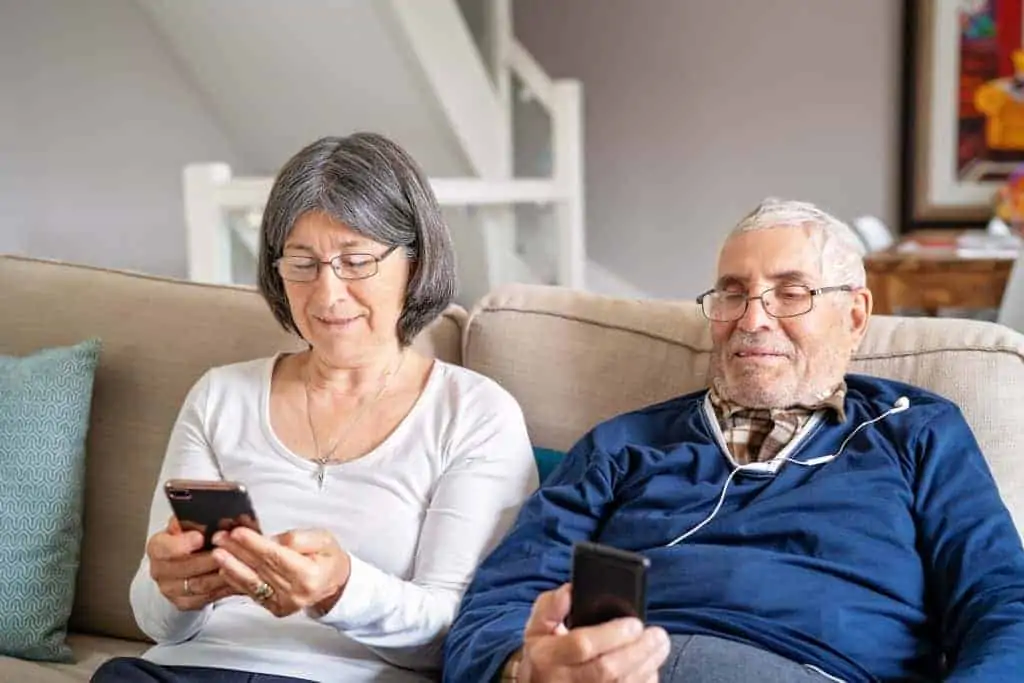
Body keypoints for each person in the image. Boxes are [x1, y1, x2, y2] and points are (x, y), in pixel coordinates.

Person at [443, 198, 1024, 683]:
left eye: (791, 293)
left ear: (854, 315)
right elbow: (494, 606)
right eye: (732, 293)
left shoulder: (915, 431)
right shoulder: (622, 446)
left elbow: (1001, 602)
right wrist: (524, 667)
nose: (752, 319)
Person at [92, 133, 538, 683]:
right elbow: (159, 625)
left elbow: (456, 638)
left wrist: (340, 590)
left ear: (414, 264)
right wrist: (174, 587)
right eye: (302, 263)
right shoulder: (220, 395)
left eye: (356, 261)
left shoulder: (475, 414)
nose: (327, 294)